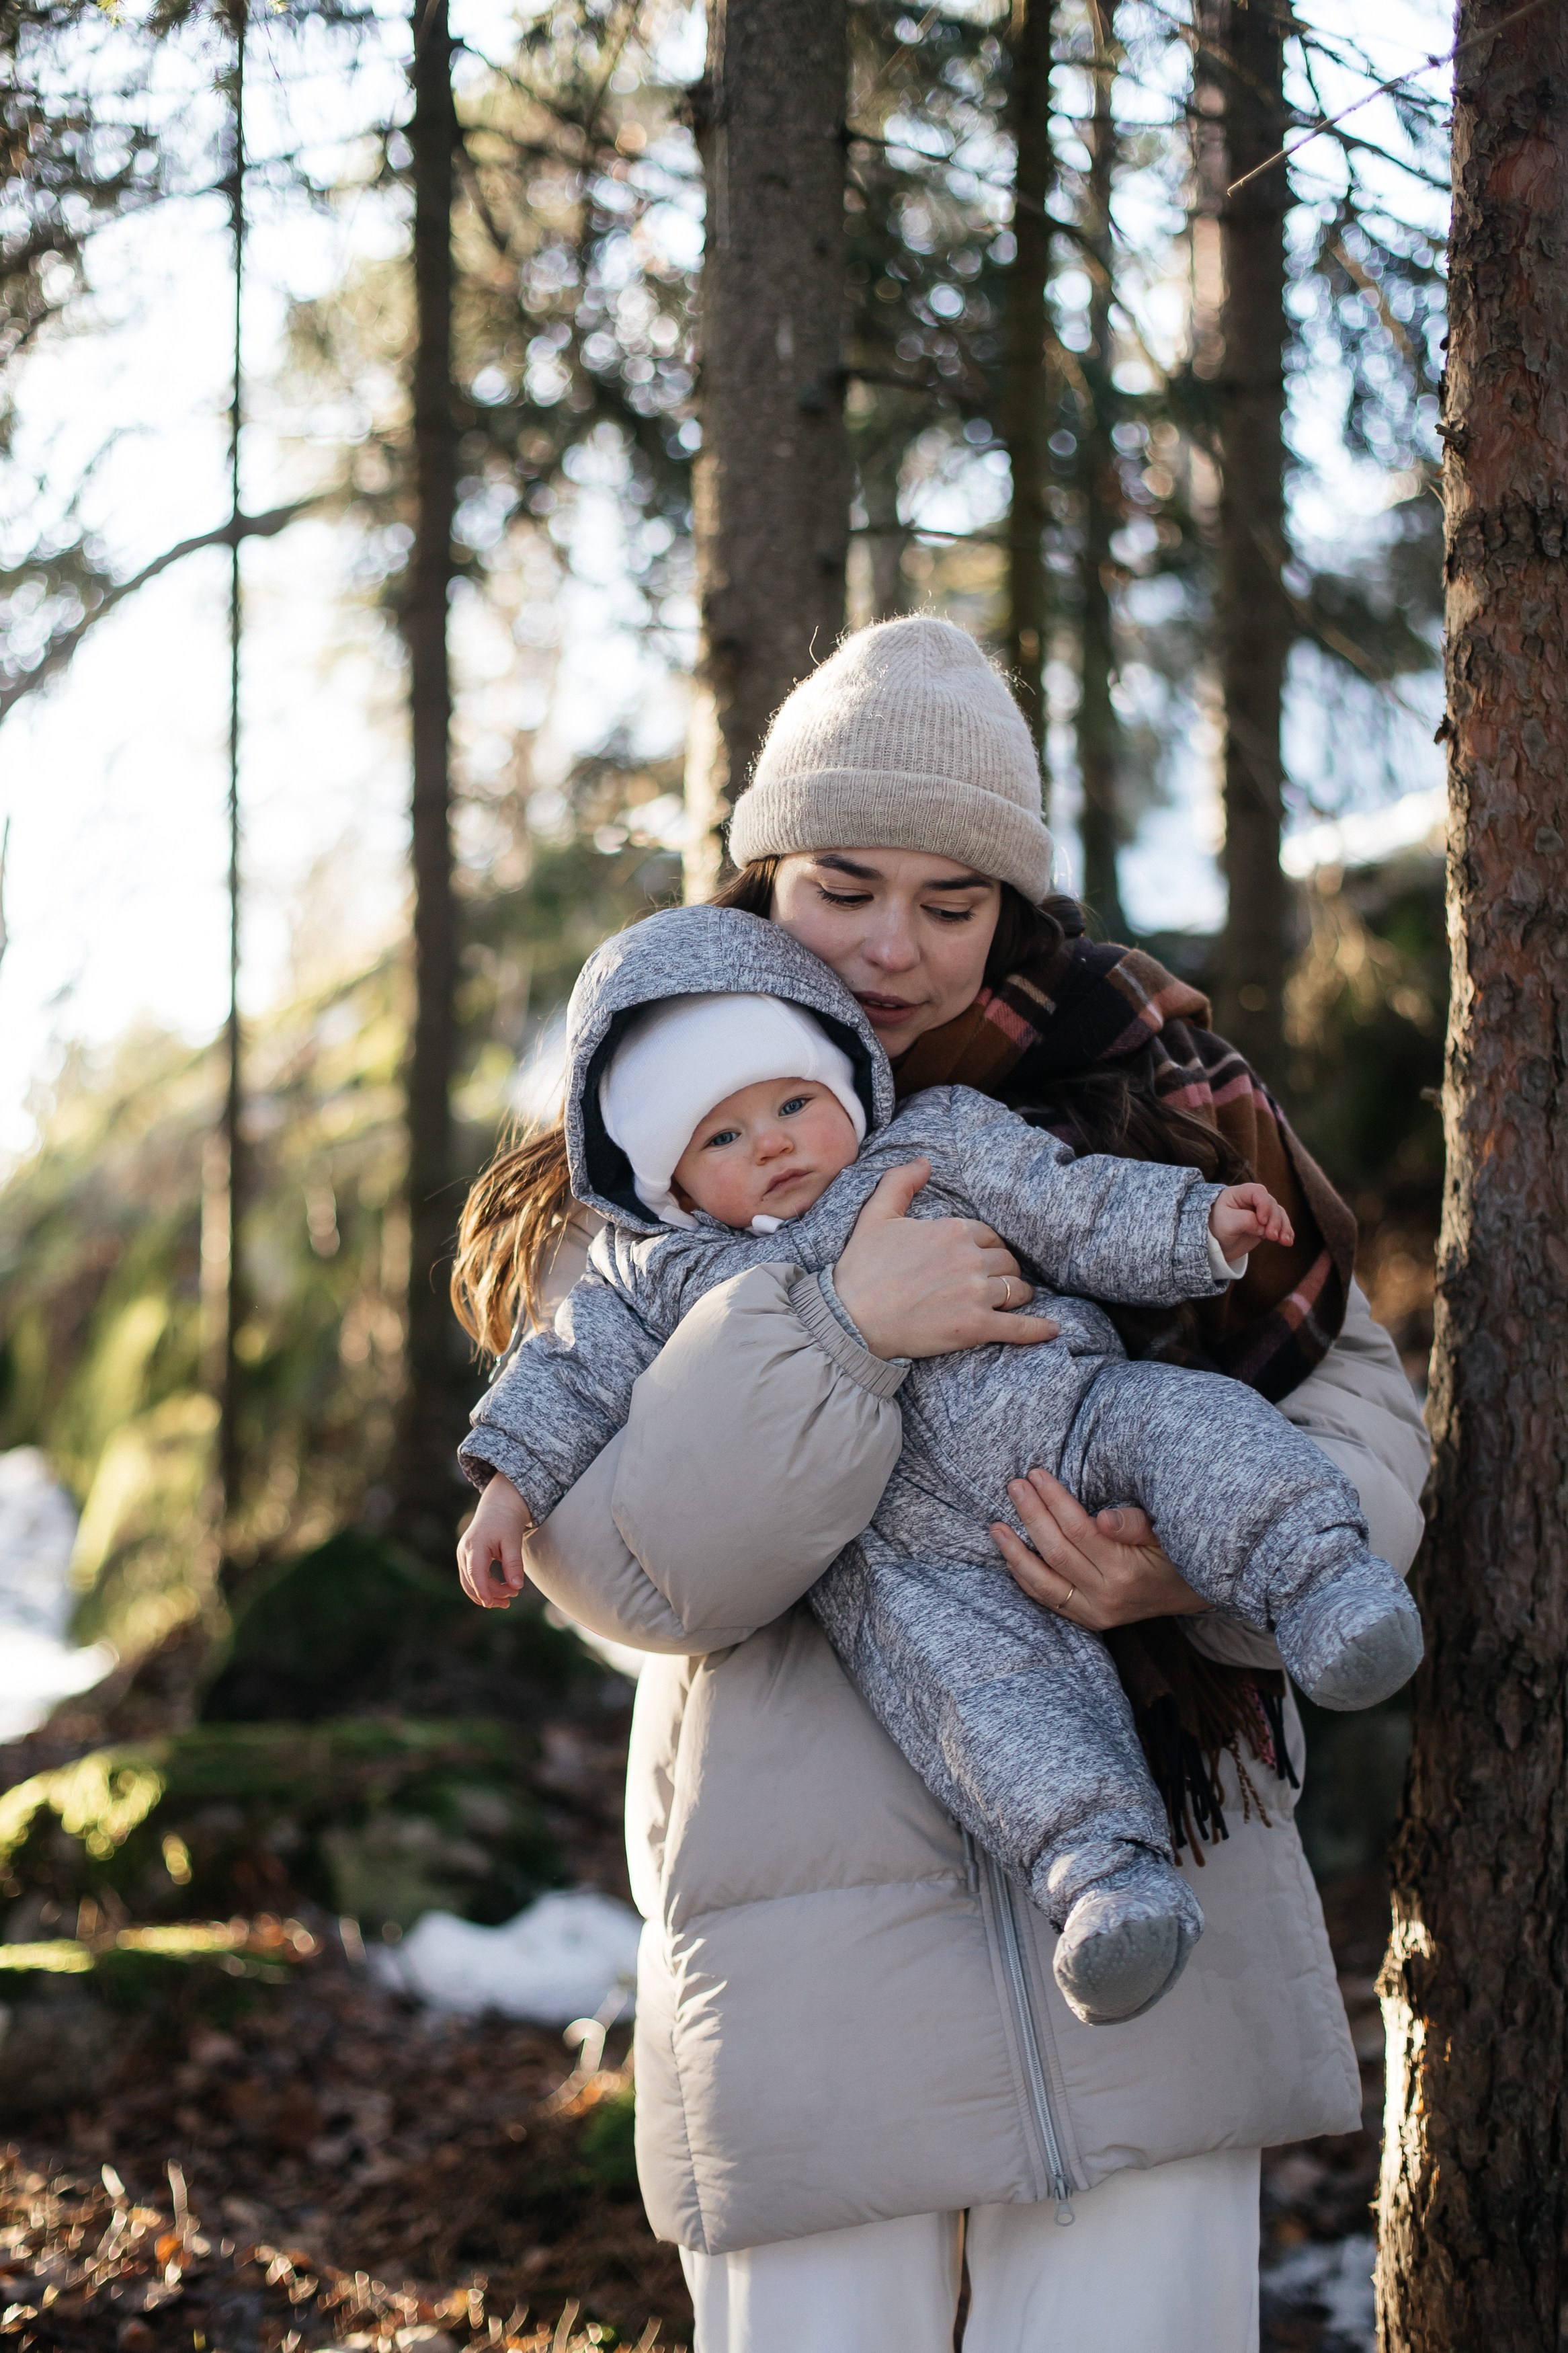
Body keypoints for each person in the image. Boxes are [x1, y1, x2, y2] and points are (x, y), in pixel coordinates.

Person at [451, 617, 1430, 2351]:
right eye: (842, 886)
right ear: (764, 871)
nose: (894, 947)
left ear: (1016, 913)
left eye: (952, 900)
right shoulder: (647, 1153)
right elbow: (635, 1568)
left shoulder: (1158, 1089)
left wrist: (1194, 1574)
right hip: (811, 1979)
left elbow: (1352, 1385)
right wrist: (842, 1324)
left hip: (1163, 1935)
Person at [456, 902, 1421, 2032]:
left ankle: (1319, 1581)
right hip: (911, 1561)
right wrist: (505, 1490)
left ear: (844, 1085)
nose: (768, 1141)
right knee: (985, 1707)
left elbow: (1072, 1206)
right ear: (666, 1179)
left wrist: (1199, 1228)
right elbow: (563, 1378)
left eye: (790, 1103)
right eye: (718, 1138)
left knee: (1201, 1432)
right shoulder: (656, 1280)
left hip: (1073, 1414)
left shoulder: (937, 1141)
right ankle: (1103, 1880)